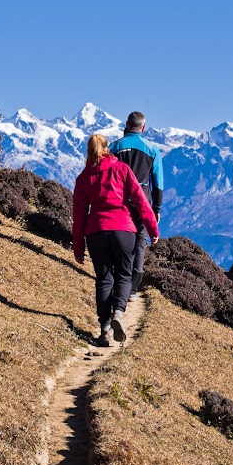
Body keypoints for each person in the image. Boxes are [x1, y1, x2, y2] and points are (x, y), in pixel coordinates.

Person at [72, 134, 159, 346]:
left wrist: (78, 246)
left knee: (104, 279)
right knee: (123, 275)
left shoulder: (84, 177)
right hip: (124, 230)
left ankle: (104, 330)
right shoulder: (121, 169)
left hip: (95, 231)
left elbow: (79, 214)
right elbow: (140, 199)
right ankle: (118, 313)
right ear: (107, 149)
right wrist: (152, 228)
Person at [109, 111, 163, 300]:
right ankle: (133, 287)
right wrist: (156, 209)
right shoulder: (153, 149)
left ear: (126, 125)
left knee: (120, 240)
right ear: (143, 128)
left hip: (118, 202)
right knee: (140, 243)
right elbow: (158, 182)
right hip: (143, 202)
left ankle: (119, 280)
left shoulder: (113, 147)